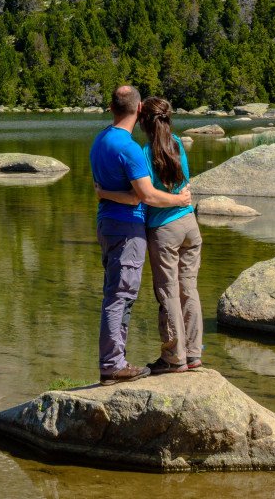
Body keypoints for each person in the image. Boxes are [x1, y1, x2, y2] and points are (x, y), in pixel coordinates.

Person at [89, 84, 191, 384]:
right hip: (127, 229)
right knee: (121, 296)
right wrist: (181, 201)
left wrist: (106, 193)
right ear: (139, 110)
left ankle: (114, 362)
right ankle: (113, 365)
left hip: (107, 224)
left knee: (115, 293)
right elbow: (144, 196)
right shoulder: (129, 148)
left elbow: (112, 190)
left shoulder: (100, 139)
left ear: (111, 108)